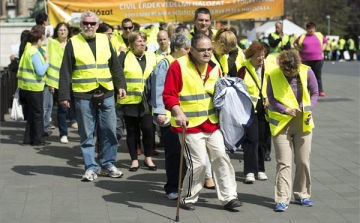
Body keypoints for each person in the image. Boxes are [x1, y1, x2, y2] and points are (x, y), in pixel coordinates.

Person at [163, 33, 242, 211]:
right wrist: (178, 112)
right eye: (202, 50)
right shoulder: (178, 66)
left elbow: (219, 92)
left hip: (211, 123)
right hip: (188, 125)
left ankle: (229, 197)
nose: (207, 53)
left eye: (209, 50)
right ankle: (188, 198)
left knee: (221, 157)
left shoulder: (215, 65)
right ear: (191, 50)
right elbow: (168, 95)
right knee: (198, 163)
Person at [58, 11, 127, 182]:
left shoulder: (105, 39)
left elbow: (115, 65)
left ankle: (108, 164)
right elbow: (65, 70)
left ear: (97, 25)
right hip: (83, 94)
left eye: (92, 23)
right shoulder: (73, 43)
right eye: (85, 23)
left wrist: (121, 85)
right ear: (80, 25)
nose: (89, 26)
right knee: (87, 133)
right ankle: (90, 167)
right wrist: (64, 95)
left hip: (107, 92)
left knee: (110, 130)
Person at [267, 50, 318, 212]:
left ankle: (302, 194)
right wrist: (285, 110)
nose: (290, 73)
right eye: (287, 71)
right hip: (282, 124)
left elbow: (315, 92)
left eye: (293, 71)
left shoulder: (307, 71)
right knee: (284, 163)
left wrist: (307, 107)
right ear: (281, 66)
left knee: (303, 161)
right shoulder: (273, 74)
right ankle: (282, 198)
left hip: (303, 121)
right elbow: (271, 99)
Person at [151, 33, 190, 199]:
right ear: (176, 48)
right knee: (174, 154)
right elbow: (159, 90)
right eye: (185, 49)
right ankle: (172, 187)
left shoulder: (186, 64)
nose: (189, 51)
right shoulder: (165, 64)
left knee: (186, 154)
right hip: (169, 118)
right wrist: (160, 112)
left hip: (184, 116)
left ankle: (185, 185)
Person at [117, 31, 157, 172]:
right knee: (132, 131)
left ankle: (148, 158)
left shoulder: (152, 56)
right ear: (131, 43)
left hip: (147, 101)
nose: (142, 43)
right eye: (139, 41)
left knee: (147, 129)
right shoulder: (125, 57)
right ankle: (134, 160)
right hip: (130, 101)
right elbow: (118, 73)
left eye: (144, 41)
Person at [236, 42, 270, 183]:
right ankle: (249, 171)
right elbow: (238, 88)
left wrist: (270, 97)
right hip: (249, 109)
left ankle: (260, 169)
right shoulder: (243, 68)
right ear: (251, 55)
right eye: (258, 56)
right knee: (251, 140)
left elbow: (273, 84)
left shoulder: (268, 66)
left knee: (263, 139)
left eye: (263, 55)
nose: (261, 58)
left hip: (265, 108)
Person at [17, 29, 50, 146]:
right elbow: (40, 71)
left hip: (26, 86)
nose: (42, 41)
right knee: (38, 113)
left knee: (32, 113)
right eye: (41, 39)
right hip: (34, 87)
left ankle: (28, 138)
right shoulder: (35, 53)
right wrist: (47, 61)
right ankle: (38, 140)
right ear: (38, 40)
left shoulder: (28, 50)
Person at [47, 22, 72, 144]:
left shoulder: (73, 43)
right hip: (58, 80)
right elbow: (50, 64)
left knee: (77, 108)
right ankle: (63, 133)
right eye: (60, 30)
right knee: (62, 108)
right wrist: (51, 83)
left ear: (68, 31)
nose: (62, 32)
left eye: (64, 30)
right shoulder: (52, 43)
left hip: (73, 79)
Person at [294, 21, 327, 97]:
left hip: (318, 59)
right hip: (305, 59)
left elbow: (325, 42)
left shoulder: (319, 35)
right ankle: (306, 90)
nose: (311, 30)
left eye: (313, 28)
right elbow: (295, 43)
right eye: (309, 28)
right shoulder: (302, 36)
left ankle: (320, 90)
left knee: (317, 75)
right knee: (305, 76)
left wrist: (322, 48)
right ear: (307, 29)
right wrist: (299, 49)